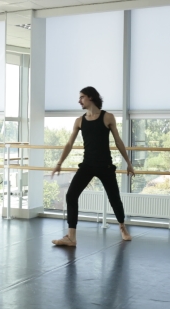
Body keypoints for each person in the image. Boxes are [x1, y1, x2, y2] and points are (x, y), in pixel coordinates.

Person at [51, 86, 135, 246]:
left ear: (90, 97)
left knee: (114, 198)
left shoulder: (108, 117)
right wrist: (59, 163)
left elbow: (118, 142)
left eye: (82, 97)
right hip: (87, 165)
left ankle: (123, 227)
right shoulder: (79, 121)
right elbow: (69, 143)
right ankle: (71, 237)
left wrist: (129, 163)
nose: (79, 100)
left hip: (105, 165)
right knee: (71, 195)